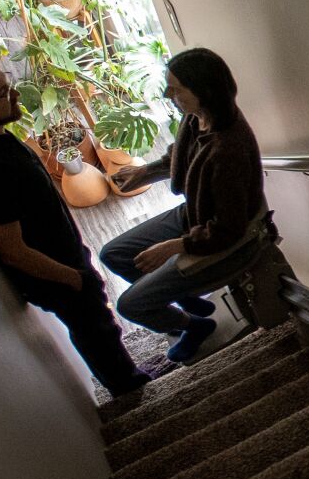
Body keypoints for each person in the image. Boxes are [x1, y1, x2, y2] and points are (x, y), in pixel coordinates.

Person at [0, 52, 160, 397]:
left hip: (63, 255)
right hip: (55, 272)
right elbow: (13, 250)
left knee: (97, 324)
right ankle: (131, 390)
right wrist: (74, 278)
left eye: (6, 84)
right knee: (96, 327)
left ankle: (126, 374)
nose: (15, 95)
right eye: (1, 94)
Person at [102, 47, 267, 364]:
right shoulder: (198, 117)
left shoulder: (227, 150)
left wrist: (174, 247)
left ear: (203, 90)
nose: (167, 94)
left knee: (130, 306)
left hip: (222, 241)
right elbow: (180, 156)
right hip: (195, 217)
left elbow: (229, 229)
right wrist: (145, 172)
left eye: (176, 88)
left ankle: (194, 326)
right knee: (114, 254)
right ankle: (187, 298)